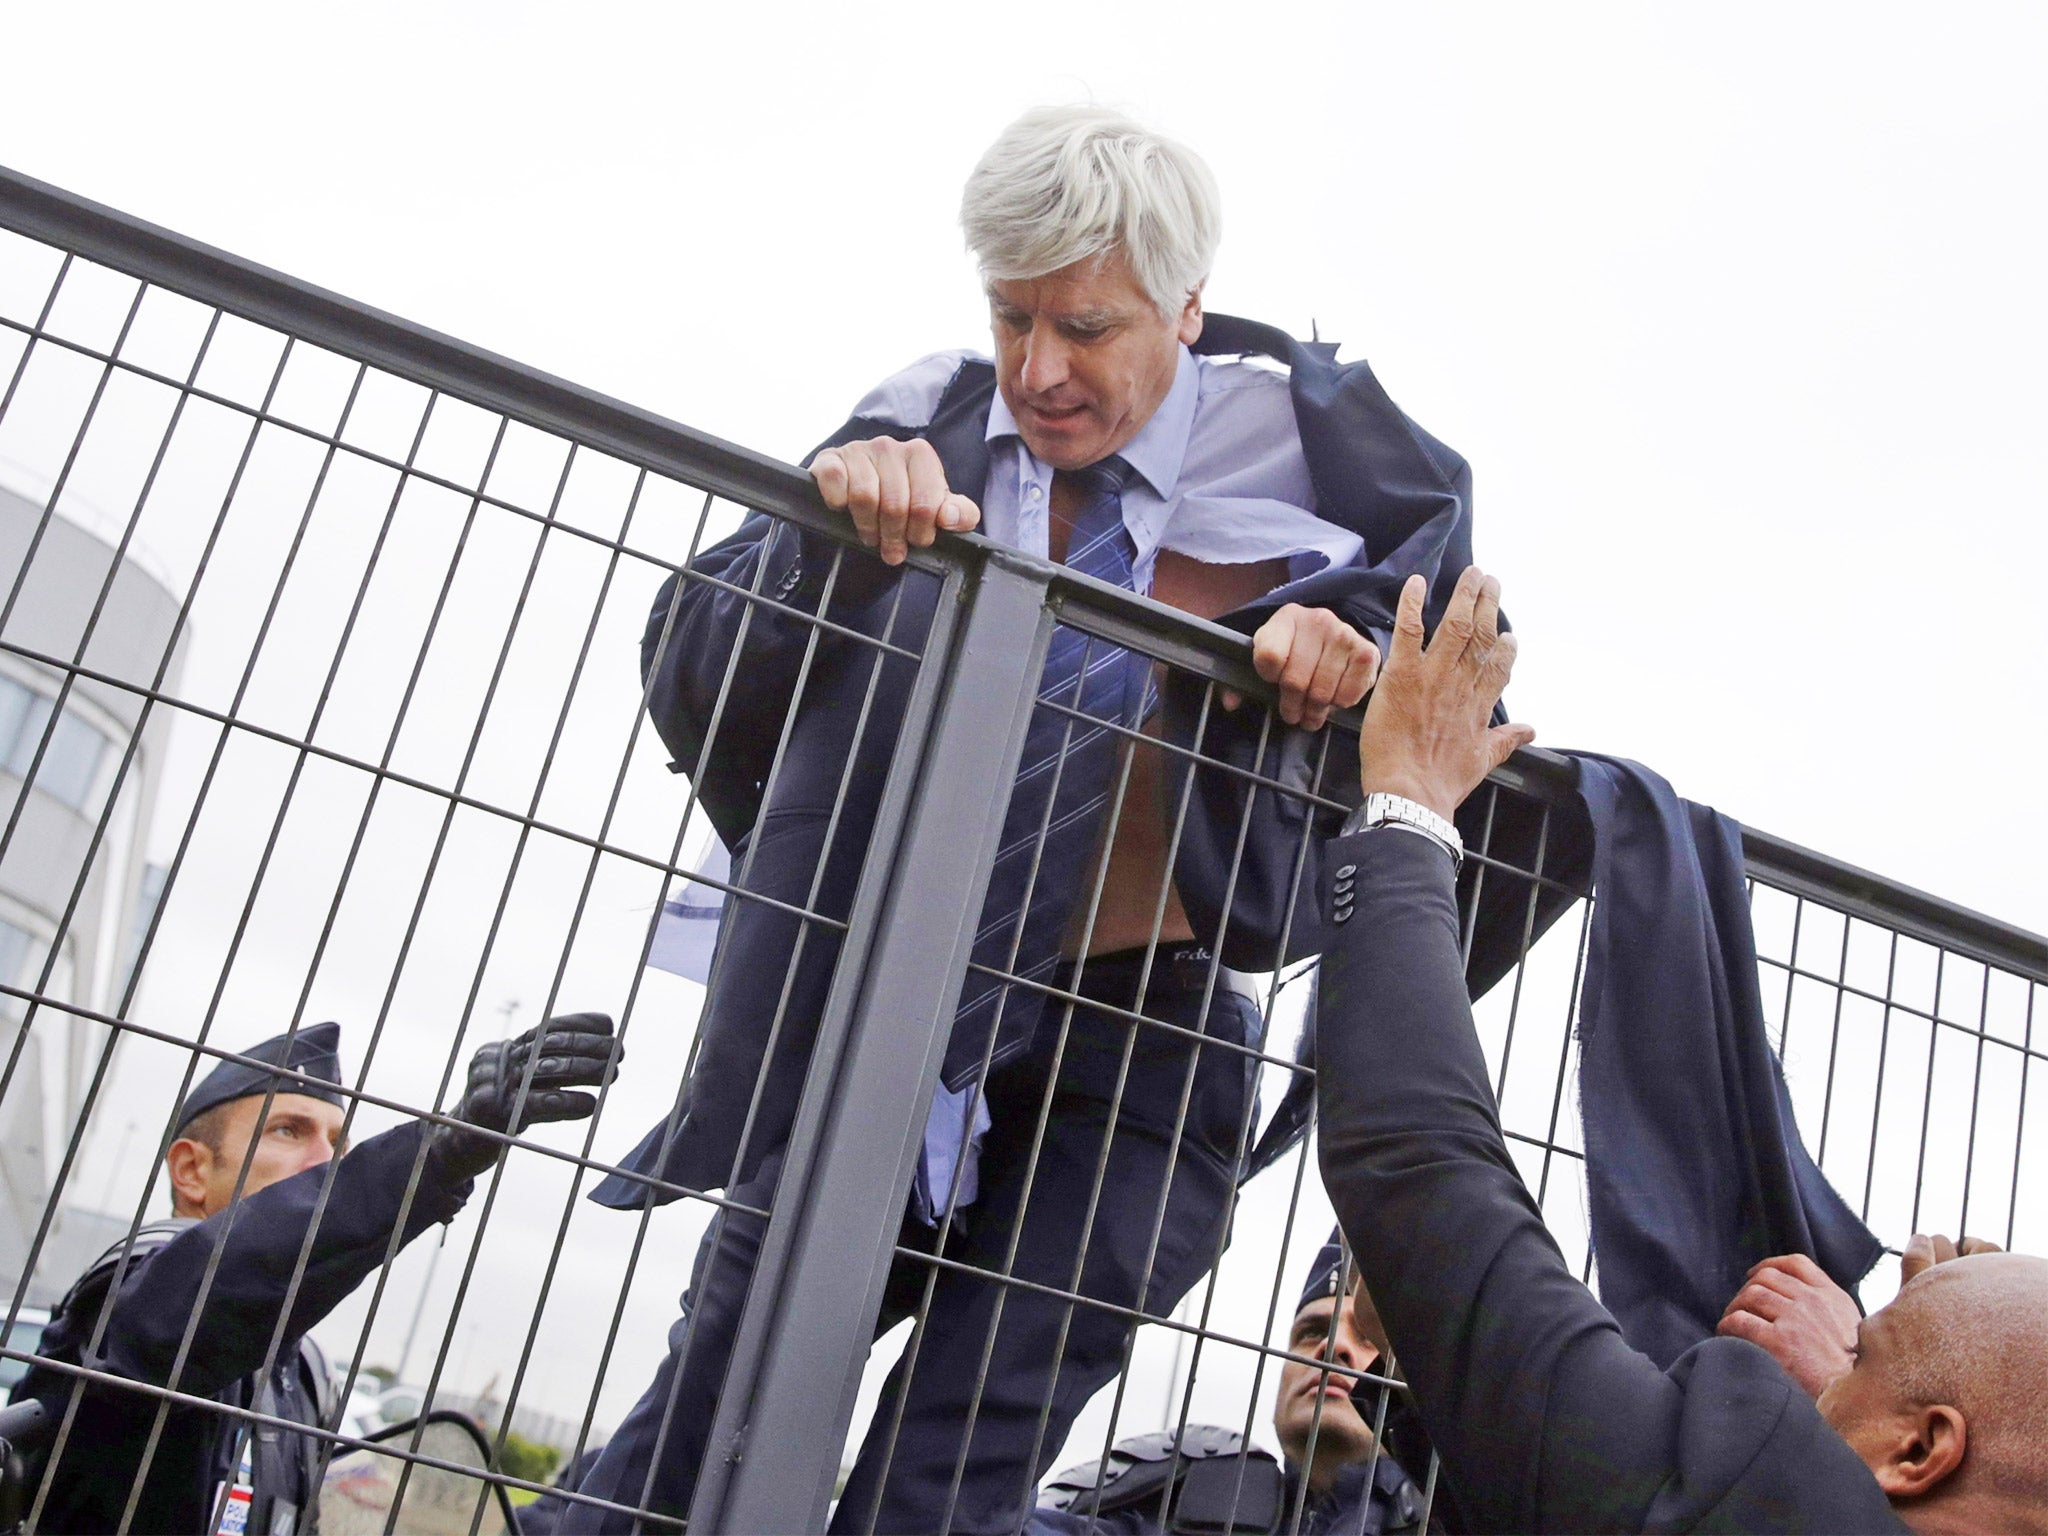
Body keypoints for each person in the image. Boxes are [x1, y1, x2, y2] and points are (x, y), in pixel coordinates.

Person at [581, 104, 1488, 1535]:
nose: (1039, 373)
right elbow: (699, 668)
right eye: (1012, 320)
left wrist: (1346, 649)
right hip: (899, 995)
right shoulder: (931, 416)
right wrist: (825, 541)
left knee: (947, 1480)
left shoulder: (1333, 479)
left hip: (1141, 1037)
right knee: (718, 1397)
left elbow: (1448, 688)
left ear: (1188, 310)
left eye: (1086, 327)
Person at [1313, 564, 2048, 1531]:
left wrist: (1408, 800)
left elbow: (1425, 1170)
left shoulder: (1741, 1506)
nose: (1827, 1340)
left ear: (1920, 1450)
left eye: (1859, 1348)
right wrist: (1916, 1371)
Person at [9, 1014, 618, 1536]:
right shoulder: (129, 1295)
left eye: (337, 1141)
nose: (326, 1160)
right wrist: (433, 1158)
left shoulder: (305, 1374)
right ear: (192, 1170)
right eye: (288, 1130)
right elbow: (220, 1290)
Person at [1034, 1234, 1431, 1535]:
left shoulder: (1473, 1513)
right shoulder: (1172, 1509)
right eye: (1310, 1333)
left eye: (1366, 1337)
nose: (1332, 1347)